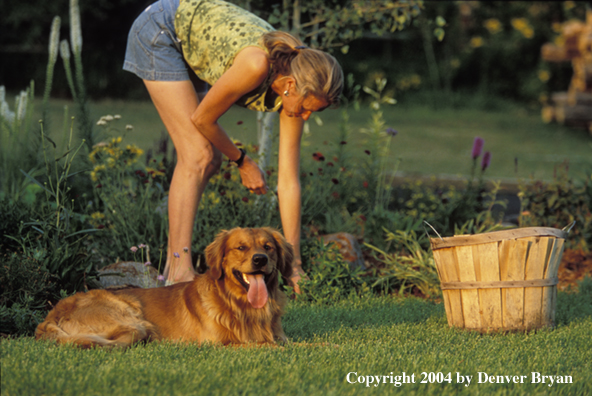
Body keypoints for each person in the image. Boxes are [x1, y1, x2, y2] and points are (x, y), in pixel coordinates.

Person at [123, 0, 343, 291]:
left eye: (313, 112)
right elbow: (203, 119)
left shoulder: (299, 84)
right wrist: (243, 162)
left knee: (209, 158)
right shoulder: (256, 66)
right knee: (199, 155)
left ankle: (176, 267)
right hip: (162, 30)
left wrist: (294, 265)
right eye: (305, 108)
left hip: (192, 41)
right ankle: (178, 272)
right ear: (290, 84)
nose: (305, 116)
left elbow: (288, 181)